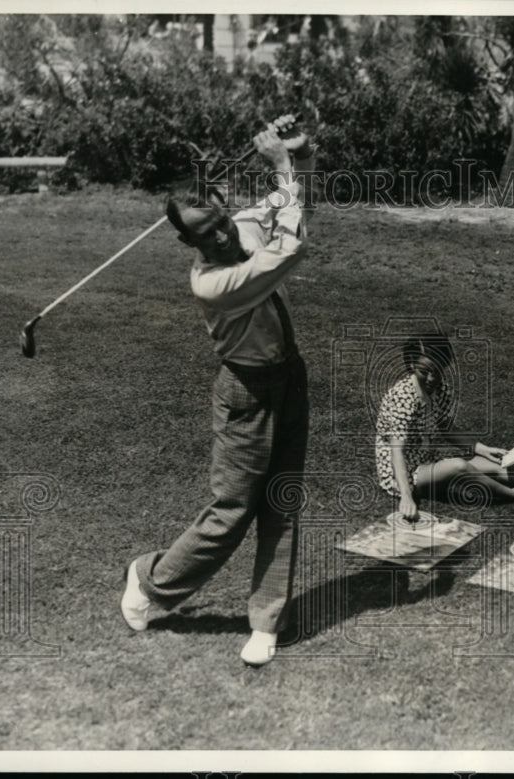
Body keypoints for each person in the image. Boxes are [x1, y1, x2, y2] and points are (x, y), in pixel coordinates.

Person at [121, 114, 317, 666]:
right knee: (232, 511)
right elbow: (290, 250)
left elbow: (297, 210)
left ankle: (266, 622)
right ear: (189, 242)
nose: (225, 235)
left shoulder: (242, 228)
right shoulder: (212, 283)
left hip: (289, 381)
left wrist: (299, 158)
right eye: (207, 234)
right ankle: (151, 580)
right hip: (246, 394)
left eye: (222, 222)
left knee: (283, 504)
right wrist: (280, 169)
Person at [375, 333, 514, 522]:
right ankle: (513, 494)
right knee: (460, 466)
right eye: (425, 372)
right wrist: (407, 496)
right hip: (402, 474)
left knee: (491, 464)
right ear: (411, 365)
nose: (432, 378)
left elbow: (446, 427)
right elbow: (397, 452)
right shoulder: (402, 399)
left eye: (438, 370)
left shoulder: (440, 390)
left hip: (426, 461)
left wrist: (483, 449)